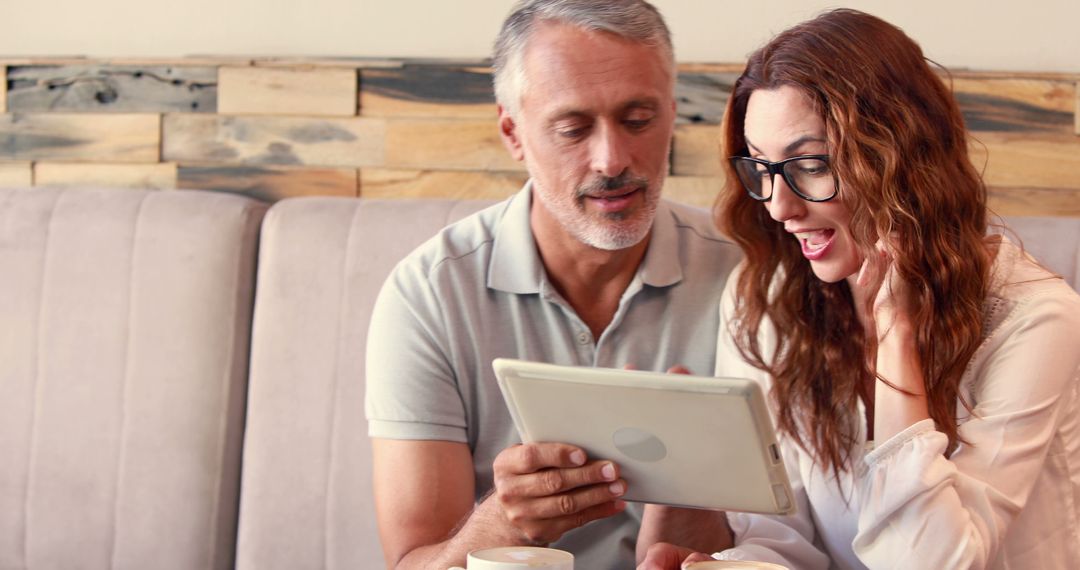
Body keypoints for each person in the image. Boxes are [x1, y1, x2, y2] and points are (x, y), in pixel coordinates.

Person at [640, 8, 1080, 570]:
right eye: (762, 168)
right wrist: (725, 566)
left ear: (901, 158)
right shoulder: (767, 302)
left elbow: (929, 563)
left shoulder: (1035, 319)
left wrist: (896, 338)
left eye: (811, 165)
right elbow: (782, 540)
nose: (780, 207)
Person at [365, 1, 740, 568]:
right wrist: (503, 521)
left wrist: (690, 497)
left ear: (672, 111)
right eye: (573, 129)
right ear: (512, 132)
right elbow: (411, 563)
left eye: (639, 120)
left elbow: (788, 541)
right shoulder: (430, 295)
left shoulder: (750, 274)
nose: (612, 159)